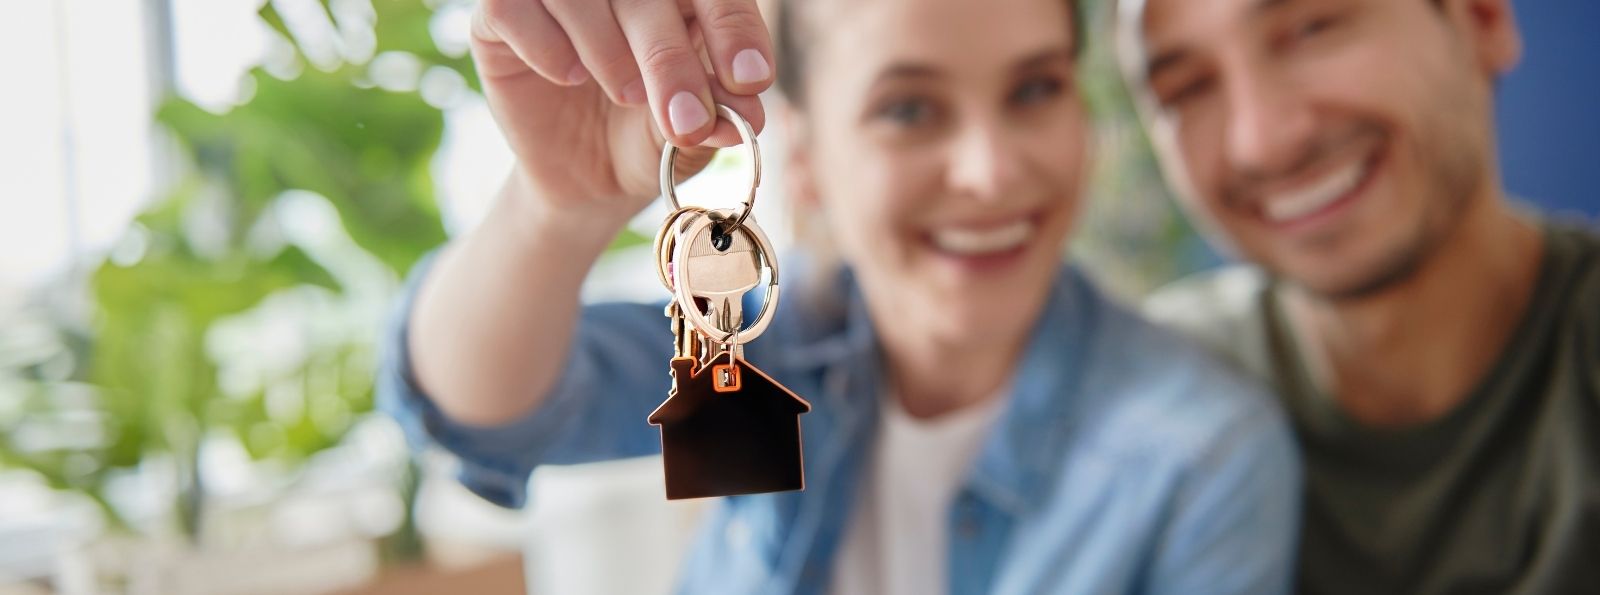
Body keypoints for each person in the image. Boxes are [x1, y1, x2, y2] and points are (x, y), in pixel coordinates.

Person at [378, 0, 1301, 592]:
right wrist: (556, 206)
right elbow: (484, 414)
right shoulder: (756, 347)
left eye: (1035, 88)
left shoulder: (1199, 454)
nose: (990, 171)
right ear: (808, 162)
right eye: (908, 107)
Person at [1114, 0, 1600, 593]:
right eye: (1186, 89)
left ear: (1482, 19)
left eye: (1313, 29)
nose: (1260, 142)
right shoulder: (1133, 405)